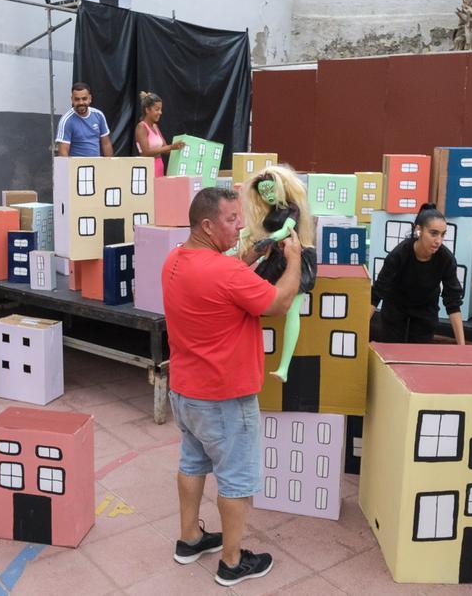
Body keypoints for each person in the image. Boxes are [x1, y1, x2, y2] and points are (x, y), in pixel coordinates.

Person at [161, 187, 302, 587]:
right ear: (207, 225)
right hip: (225, 397)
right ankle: (232, 561)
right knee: (236, 479)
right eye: (231, 219)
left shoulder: (175, 259)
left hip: (185, 391)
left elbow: (218, 281)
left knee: (191, 463)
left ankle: (189, 539)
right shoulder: (227, 274)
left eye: (240, 216)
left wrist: (250, 256)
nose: (241, 224)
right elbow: (279, 302)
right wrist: (294, 260)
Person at [239, 166, 318, 381]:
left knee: (293, 310)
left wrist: (268, 240)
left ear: (282, 188)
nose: (267, 195)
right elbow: (253, 230)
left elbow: (286, 231)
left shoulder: (292, 209)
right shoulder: (271, 212)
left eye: (270, 190)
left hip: (296, 257)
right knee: (250, 301)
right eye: (263, 192)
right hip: (275, 258)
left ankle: (284, 367)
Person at [371, 203, 465, 344]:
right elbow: (376, 294)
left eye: (442, 234)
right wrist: (356, 333)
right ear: (419, 230)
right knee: (392, 353)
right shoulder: (398, 255)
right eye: (433, 233)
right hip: (395, 308)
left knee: (418, 355)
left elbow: (453, 303)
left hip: (425, 311)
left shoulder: (446, 259)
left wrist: (462, 347)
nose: (438, 241)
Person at [133, 91, 184, 176]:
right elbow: (146, 153)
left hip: (159, 166)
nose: (160, 112)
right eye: (157, 109)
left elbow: (165, 149)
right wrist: (171, 146)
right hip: (148, 169)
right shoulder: (141, 127)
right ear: (147, 110)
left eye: (161, 109)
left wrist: (181, 148)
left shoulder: (155, 127)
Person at [55, 82, 112, 157]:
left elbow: (106, 144)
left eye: (84, 99)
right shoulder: (66, 120)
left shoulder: (99, 115)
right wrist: (65, 169)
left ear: (90, 99)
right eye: (77, 99)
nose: (81, 102)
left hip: (96, 164)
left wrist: (110, 166)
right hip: (76, 166)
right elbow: (62, 151)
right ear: (72, 100)